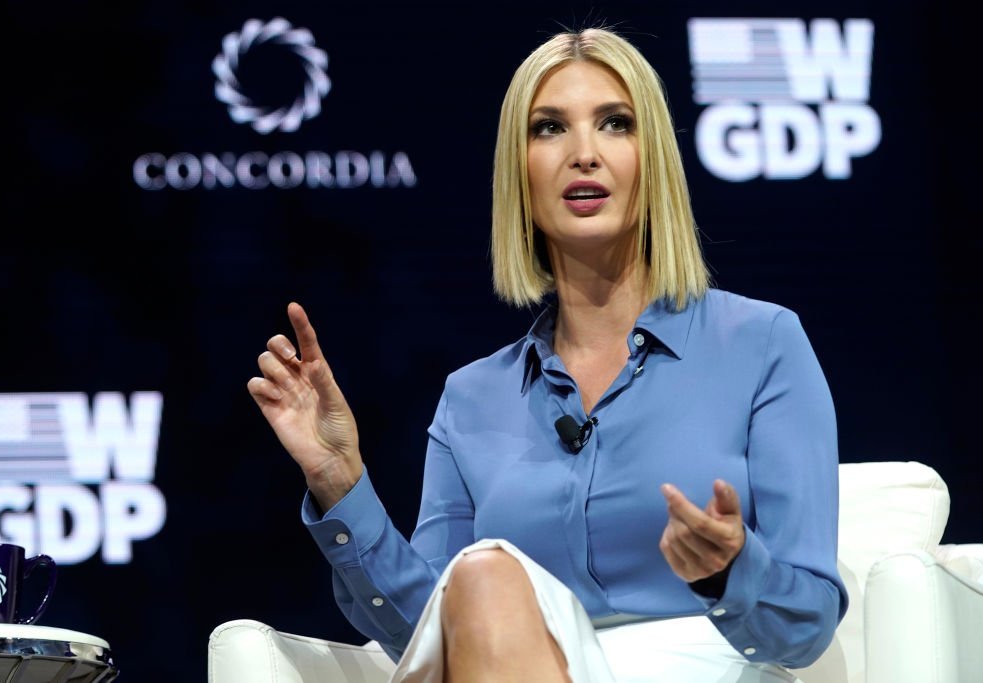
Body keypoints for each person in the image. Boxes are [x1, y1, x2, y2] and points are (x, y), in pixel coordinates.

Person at [247, 26, 847, 683]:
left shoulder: (762, 344)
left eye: (616, 124)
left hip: (705, 666)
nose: (584, 153)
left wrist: (733, 569)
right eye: (550, 128)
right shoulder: (473, 397)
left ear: (654, 159)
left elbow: (808, 622)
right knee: (483, 578)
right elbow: (428, 628)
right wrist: (340, 480)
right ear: (519, 172)